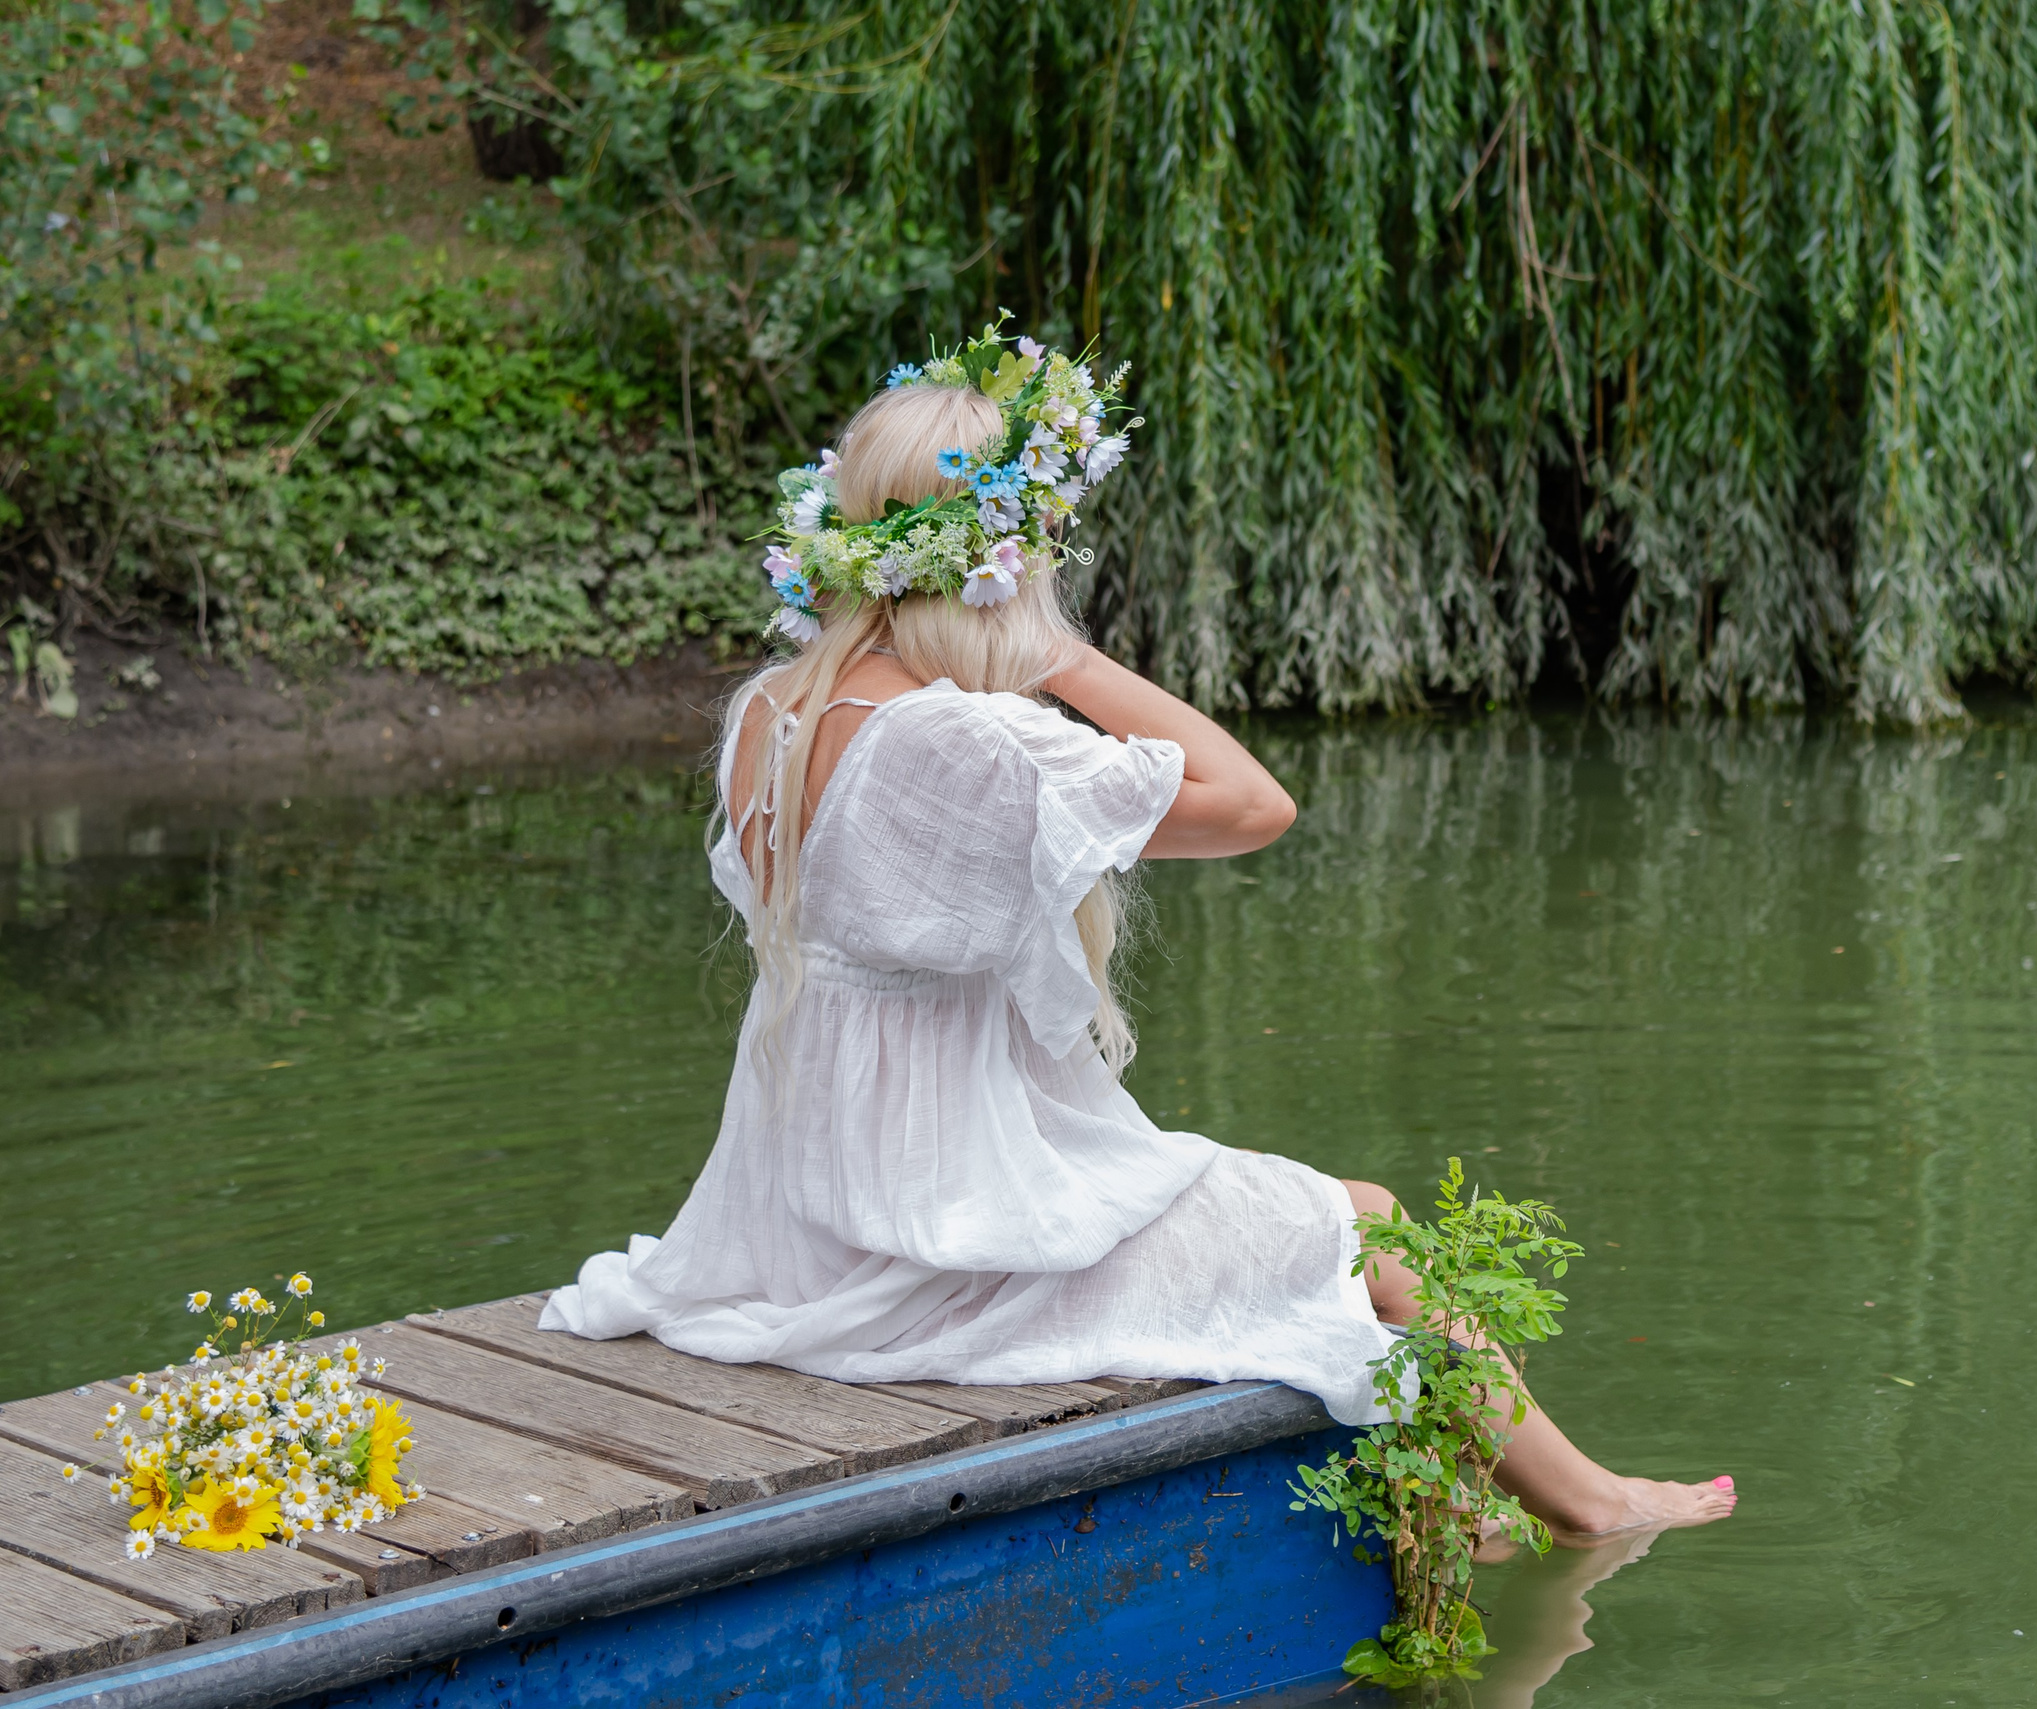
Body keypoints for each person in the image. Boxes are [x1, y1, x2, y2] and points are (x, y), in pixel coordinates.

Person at [544, 343, 1734, 1537]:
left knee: (1313, 1215)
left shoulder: (774, 707)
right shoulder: (960, 741)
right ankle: (1588, 1502)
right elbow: (1255, 803)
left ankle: (1478, 1491)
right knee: (1360, 1216)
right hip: (930, 1232)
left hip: (800, 1214)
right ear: (1000, 556)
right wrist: (1061, 655)